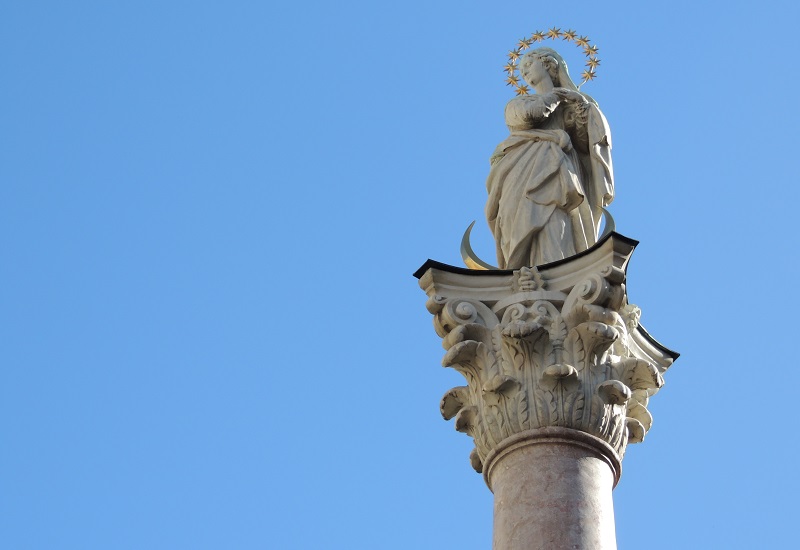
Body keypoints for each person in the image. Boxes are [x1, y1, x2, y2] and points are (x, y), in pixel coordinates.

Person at [485, 47, 614, 269]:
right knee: (521, 219)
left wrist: (579, 102)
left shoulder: (571, 105)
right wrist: (556, 96)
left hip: (560, 169)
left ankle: (556, 271)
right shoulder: (517, 104)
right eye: (521, 69)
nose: (524, 72)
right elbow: (531, 115)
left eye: (528, 64)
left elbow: (588, 141)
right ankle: (524, 273)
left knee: (557, 220)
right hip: (521, 169)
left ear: (548, 64)